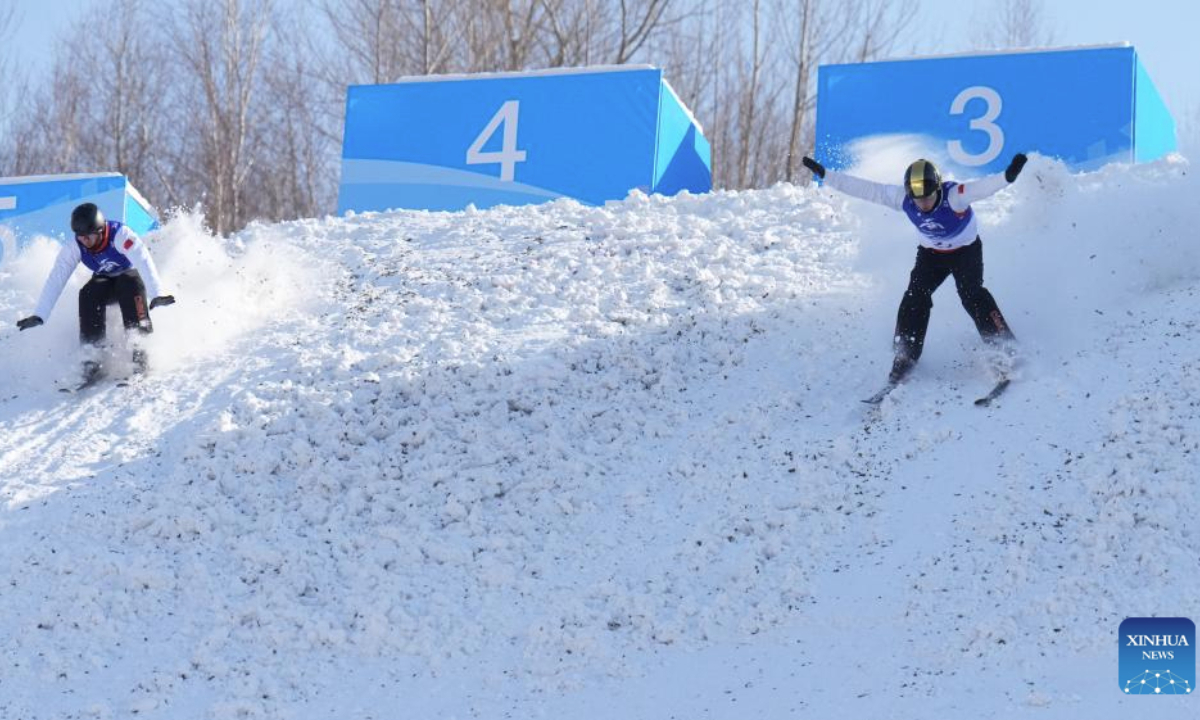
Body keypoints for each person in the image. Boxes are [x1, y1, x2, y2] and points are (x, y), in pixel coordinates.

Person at [800, 152, 1027, 384]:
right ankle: (905, 354)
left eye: (927, 197)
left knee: (971, 293)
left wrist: (1007, 177)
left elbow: (983, 187)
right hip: (931, 254)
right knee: (915, 295)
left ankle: (1004, 346)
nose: (923, 203)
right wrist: (827, 176)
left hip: (965, 251)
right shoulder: (903, 198)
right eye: (917, 199)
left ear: (937, 189)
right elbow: (866, 189)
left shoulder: (955, 196)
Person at [16, 202, 175, 382]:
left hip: (129, 279)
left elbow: (143, 258)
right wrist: (40, 314)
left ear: (100, 231)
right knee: (88, 293)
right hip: (105, 283)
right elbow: (56, 278)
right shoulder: (75, 246)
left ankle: (141, 354)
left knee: (129, 283)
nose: (85, 241)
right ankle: (93, 359)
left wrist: (157, 293)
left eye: (88, 237)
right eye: (80, 237)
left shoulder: (120, 234)